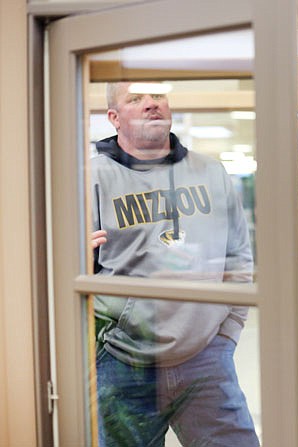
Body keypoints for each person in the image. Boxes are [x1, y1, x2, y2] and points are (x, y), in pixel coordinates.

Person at [90, 82, 259, 447]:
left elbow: (240, 256)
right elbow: (69, 272)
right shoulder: (90, 179)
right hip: (124, 363)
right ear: (114, 118)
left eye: (158, 96)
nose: (151, 104)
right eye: (136, 99)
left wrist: (227, 334)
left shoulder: (211, 172)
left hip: (206, 358)